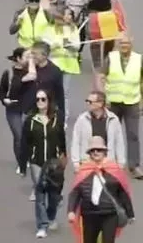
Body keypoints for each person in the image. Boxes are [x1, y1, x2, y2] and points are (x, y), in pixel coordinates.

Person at [67, 136, 135, 242]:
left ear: (104, 152)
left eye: (99, 150)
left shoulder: (114, 170)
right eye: (92, 150)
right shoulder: (84, 170)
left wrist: (130, 214)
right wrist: (71, 210)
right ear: (89, 153)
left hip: (109, 214)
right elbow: (75, 192)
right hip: (89, 214)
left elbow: (123, 193)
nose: (95, 152)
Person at [20, 88, 67, 237]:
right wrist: (23, 165)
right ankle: (42, 226)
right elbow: (24, 143)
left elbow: (62, 139)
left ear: (48, 101)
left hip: (53, 162)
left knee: (53, 195)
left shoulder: (55, 119)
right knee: (40, 193)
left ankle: (51, 216)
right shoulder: (31, 120)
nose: (40, 102)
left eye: (43, 99)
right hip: (36, 161)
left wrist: (63, 156)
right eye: (37, 99)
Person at [103, 35, 143, 177]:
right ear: (118, 44)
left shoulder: (139, 59)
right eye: (121, 43)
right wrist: (102, 98)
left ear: (131, 44)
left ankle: (134, 166)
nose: (124, 45)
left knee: (133, 135)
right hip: (112, 102)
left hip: (132, 102)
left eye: (126, 43)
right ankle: (108, 163)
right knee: (110, 133)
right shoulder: (111, 58)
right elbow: (102, 77)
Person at [3, 48, 37, 175]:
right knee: (19, 136)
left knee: (27, 136)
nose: (29, 59)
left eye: (30, 57)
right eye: (26, 57)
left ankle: (27, 156)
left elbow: (33, 76)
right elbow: (2, 91)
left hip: (28, 108)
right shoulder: (10, 74)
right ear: (18, 58)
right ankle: (21, 162)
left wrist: (31, 61)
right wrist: (4, 100)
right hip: (13, 109)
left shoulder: (31, 71)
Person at [71, 91, 127, 168]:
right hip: (87, 163)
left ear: (100, 104)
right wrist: (76, 163)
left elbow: (119, 142)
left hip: (108, 163)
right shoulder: (82, 119)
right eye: (87, 101)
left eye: (90, 102)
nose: (88, 104)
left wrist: (121, 162)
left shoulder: (113, 119)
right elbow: (76, 141)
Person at [45, 6, 83, 110]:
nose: (69, 16)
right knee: (51, 91)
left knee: (64, 92)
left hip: (69, 64)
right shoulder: (51, 28)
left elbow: (77, 46)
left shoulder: (73, 28)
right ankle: (51, 113)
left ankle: (63, 118)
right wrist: (56, 44)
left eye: (70, 14)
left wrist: (71, 45)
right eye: (67, 14)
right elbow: (45, 44)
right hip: (54, 63)